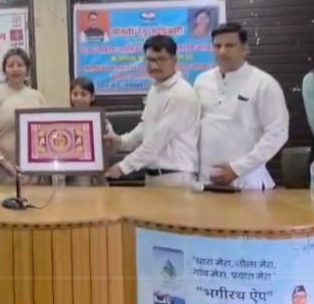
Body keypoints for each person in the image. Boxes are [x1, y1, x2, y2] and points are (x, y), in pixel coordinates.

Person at [195, 23, 289, 189]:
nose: (223, 51)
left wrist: (237, 169)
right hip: (207, 181)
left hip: (248, 182)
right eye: (217, 46)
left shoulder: (264, 83)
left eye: (230, 45)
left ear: (245, 49)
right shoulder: (202, 81)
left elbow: (277, 133)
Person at [104, 35, 200, 187]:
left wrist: (124, 167)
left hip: (176, 178)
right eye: (150, 59)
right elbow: (146, 126)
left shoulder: (181, 94)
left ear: (174, 60)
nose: (154, 65)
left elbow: (158, 139)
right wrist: (122, 142)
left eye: (161, 59)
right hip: (153, 176)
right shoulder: (155, 89)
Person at [0, 48, 47, 184]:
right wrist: (3, 161)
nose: (15, 69)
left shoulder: (37, 97)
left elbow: (45, 132)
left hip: (32, 170)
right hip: (3, 169)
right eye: (10, 65)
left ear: (27, 69)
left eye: (20, 65)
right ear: (5, 70)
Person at [68, 77, 113, 186]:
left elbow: (111, 147)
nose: (78, 98)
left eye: (83, 94)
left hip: (96, 176)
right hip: (72, 176)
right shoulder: (65, 120)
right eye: (75, 94)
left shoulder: (102, 121)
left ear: (92, 97)